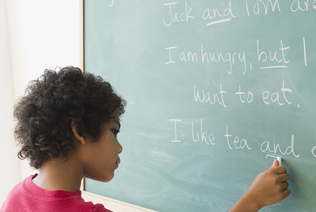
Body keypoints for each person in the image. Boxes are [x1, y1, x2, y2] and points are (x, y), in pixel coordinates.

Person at [0, 66, 290, 212]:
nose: (119, 146)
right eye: (114, 131)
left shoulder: (15, 199)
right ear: (80, 131)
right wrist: (253, 200)